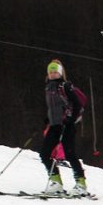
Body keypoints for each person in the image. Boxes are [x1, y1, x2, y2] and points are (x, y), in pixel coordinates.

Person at [40, 59, 86, 195]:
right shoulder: (48, 87)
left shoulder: (65, 86)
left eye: (55, 72)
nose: (53, 74)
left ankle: (81, 184)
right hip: (54, 125)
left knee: (70, 154)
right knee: (44, 154)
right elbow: (54, 106)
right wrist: (48, 118)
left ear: (60, 73)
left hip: (66, 126)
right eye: (50, 72)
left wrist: (71, 120)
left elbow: (77, 104)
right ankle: (56, 183)